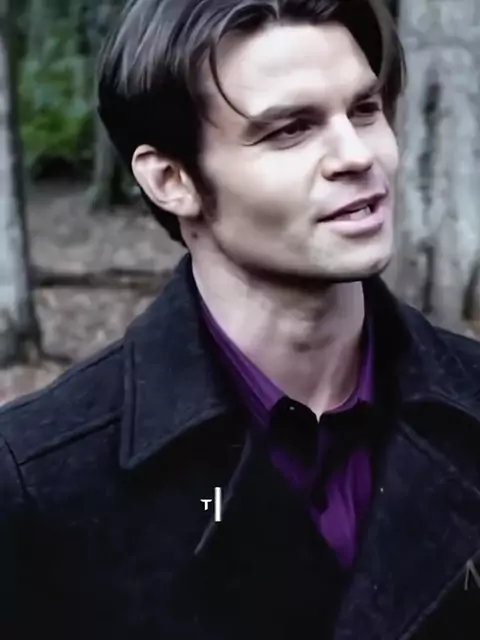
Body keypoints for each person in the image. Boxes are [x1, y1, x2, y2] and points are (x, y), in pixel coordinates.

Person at [1, 0, 480, 637]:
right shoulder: (35, 482)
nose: (356, 155)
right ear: (171, 179)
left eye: (364, 110)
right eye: (291, 129)